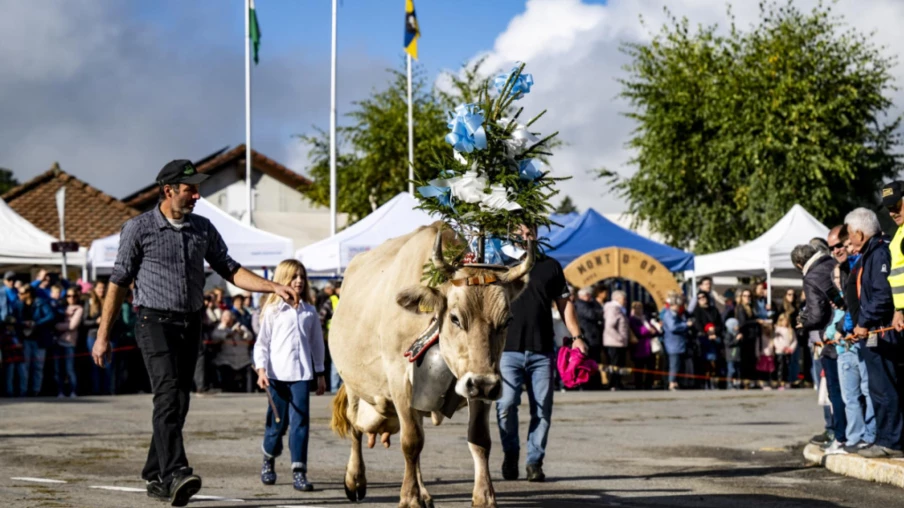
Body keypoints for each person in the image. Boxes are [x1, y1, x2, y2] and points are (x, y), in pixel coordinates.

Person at [91, 159, 299, 506]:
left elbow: (230, 269)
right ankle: (175, 472)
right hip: (154, 322)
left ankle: (155, 474)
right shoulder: (138, 228)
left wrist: (272, 286)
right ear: (169, 190)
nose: (197, 196)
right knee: (169, 395)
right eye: (190, 189)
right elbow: (118, 283)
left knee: (181, 401)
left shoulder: (202, 228)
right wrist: (102, 335)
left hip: (191, 322)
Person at [497, 224, 585, 483]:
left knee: (542, 409)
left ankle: (534, 462)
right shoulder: (501, 264)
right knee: (506, 404)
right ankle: (510, 454)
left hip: (542, 350)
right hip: (507, 350)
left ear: (536, 234)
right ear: (511, 234)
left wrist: (577, 337)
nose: (525, 237)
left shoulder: (550, 265)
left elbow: (565, 304)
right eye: (520, 233)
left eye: (530, 233)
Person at [254, 259, 326, 491]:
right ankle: (268, 460)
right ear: (283, 279)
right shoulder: (273, 310)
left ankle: (299, 472)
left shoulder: (310, 311)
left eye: (302, 277)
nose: (298, 281)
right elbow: (262, 343)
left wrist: (320, 373)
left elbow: (317, 345)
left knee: (300, 424)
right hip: (275, 376)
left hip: (302, 376)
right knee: (277, 424)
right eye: (294, 276)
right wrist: (261, 370)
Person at [847, 204, 903, 458]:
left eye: (849, 233)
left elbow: (881, 296)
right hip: (872, 332)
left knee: (884, 388)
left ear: (859, 233)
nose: (849, 239)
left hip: (880, 331)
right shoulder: (870, 253)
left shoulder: (879, 253)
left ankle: (891, 442)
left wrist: (863, 323)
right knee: (878, 389)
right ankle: (884, 437)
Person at [792, 243, 847, 453]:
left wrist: (803, 322)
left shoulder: (812, 276)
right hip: (844, 331)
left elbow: (817, 314)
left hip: (832, 338)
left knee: (836, 391)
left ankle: (840, 437)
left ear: (799, 264)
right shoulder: (832, 263)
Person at [13, 286, 55, 396]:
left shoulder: (40, 302)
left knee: (38, 366)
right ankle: (23, 390)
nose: (19, 295)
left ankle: (35, 390)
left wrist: (36, 323)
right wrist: (23, 323)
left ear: (28, 293)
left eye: (21, 293)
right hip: (25, 339)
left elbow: (50, 316)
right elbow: (15, 321)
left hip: (39, 339)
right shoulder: (19, 304)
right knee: (24, 366)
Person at [210, 310, 254, 392]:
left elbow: (249, 336)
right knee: (225, 373)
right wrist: (227, 330)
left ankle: (249, 392)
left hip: (243, 359)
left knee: (249, 370)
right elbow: (215, 336)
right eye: (224, 317)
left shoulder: (240, 327)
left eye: (228, 317)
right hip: (227, 360)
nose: (226, 319)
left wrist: (241, 332)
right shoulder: (219, 328)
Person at [84, 281, 114, 395]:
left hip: (109, 336)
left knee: (108, 364)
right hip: (93, 335)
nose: (101, 290)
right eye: (99, 288)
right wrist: (96, 321)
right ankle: (96, 390)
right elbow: (84, 321)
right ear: (94, 289)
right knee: (95, 364)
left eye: (103, 288)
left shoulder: (109, 301)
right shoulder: (89, 302)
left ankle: (108, 390)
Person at [54, 288, 83, 398]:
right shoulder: (61, 307)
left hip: (69, 342)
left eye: (74, 296)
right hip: (57, 342)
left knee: (69, 369)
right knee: (58, 370)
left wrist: (57, 326)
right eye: (68, 296)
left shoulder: (79, 309)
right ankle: (60, 391)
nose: (71, 298)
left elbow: (72, 326)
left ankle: (73, 391)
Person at [661, 291, 691, 391]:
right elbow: (673, 327)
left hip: (679, 344)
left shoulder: (676, 315)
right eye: (678, 305)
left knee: (678, 364)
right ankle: (671, 383)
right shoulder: (669, 314)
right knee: (674, 364)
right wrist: (686, 325)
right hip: (673, 344)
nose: (679, 307)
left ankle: (676, 381)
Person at [602, 290, 629, 390]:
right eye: (623, 299)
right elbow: (609, 326)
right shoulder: (613, 308)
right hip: (614, 342)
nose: (625, 301)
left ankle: (618, 382)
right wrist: (620, 338)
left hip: (619, 343)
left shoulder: (620, 309)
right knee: (614, 364)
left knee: (620, 364)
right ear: (616, 299)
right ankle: (613, 384)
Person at [628, 301, 658, 390]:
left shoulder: (645, 319)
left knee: (651, 366)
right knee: (639, 367)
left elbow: (654, 328)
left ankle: (649, 384)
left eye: (640, 308)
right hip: (639, 346)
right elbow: (639, 331)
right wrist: (649, 330)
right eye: (637, 308)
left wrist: (654, 330)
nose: (639, 310)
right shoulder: (632, 319)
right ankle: (639, 385)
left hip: (649, 346)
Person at [735, 289, 760, 389]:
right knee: (746, 360)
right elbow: (743, 322)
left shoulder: (751, 308)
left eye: (749, 296)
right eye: (745, 296)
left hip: (752, 337)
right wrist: (756, 321)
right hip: (745, 337)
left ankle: (750, 381)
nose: (747, 298)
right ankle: (745, 382)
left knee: (751, 360)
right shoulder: (740, 308)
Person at [772, 314, 796, 390]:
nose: (785, 322)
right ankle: (780, 382)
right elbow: (775, 340)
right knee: (780, 368)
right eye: (783, 321)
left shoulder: (790, 330)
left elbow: (794, 341)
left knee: (787, 367)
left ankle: (786, 381)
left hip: (788, 352)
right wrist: (782, 348)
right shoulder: (777, 330)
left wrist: (791, 348)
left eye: (786, 321)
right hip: (780, 351)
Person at [723, 318, 742, 389]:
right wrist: (736, 339)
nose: (738, 327)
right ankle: (729, 384)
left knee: (737, 371)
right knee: (731, 370)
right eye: (736, 325)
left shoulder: (737, 333)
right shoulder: (728, 335)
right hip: (731, 356)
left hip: (737, 356)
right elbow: (728, 344)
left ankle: (737, 384)